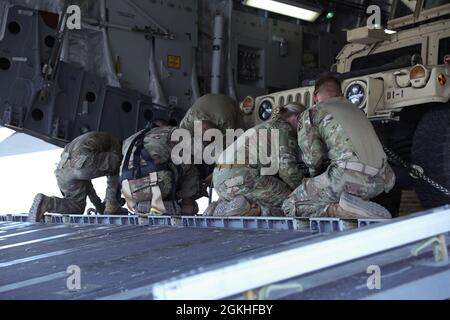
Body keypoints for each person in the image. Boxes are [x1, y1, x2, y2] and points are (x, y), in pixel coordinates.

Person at [282, 75, 396, 219]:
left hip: (349, 179)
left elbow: (313, 158)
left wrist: (311, 177)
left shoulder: (312, 112)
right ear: (340, 93)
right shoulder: (357, 110)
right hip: (382, 180)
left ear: (315, 95)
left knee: (289, 204)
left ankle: (341, 211)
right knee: (334, 184)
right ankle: (354, 207)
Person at [120, 94, 239, 215]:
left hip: (128, 190)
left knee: (167, 165)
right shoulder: (172, 132)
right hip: (158, 184)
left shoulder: (131, 139)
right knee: (187, 162)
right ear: (165, 125)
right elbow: (199, 151)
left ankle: (147, 204)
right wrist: (206, 180)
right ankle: (186, 206)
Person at [210, 103, 306, 217]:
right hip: (242, 177)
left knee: (266, 197)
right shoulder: (284, 129)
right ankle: (250, 210)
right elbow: (287, 170)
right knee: (294, 203)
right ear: (297, 118)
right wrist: (304, 188)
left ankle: (219, 207)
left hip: (220, 180)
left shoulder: (265, 126)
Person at [29, 132, 123, 222]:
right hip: (82, 162)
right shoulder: (116, 144)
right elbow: (114, 175)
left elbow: (86, 182)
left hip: (63, 169)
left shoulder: (92, 143)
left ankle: (48, 203)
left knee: (76, 206)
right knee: (119, 164)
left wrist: (99, 206)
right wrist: (110, 207)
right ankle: (112, 205)